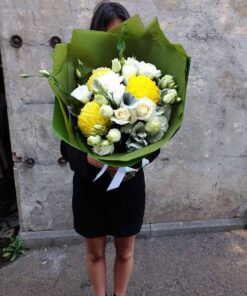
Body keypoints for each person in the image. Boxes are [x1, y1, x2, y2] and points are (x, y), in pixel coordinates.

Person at [60, 2, 160, 296]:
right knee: (94, 253)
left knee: (126, 253)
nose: (116, 45)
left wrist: (135, 161)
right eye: (108, 36)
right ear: (96, 36)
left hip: (128, 187)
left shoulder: (142, 83)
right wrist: (88, 159)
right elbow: (65, 146)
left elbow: (157, 141)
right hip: (89, 188)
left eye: (122, 36)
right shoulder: (78, 82)